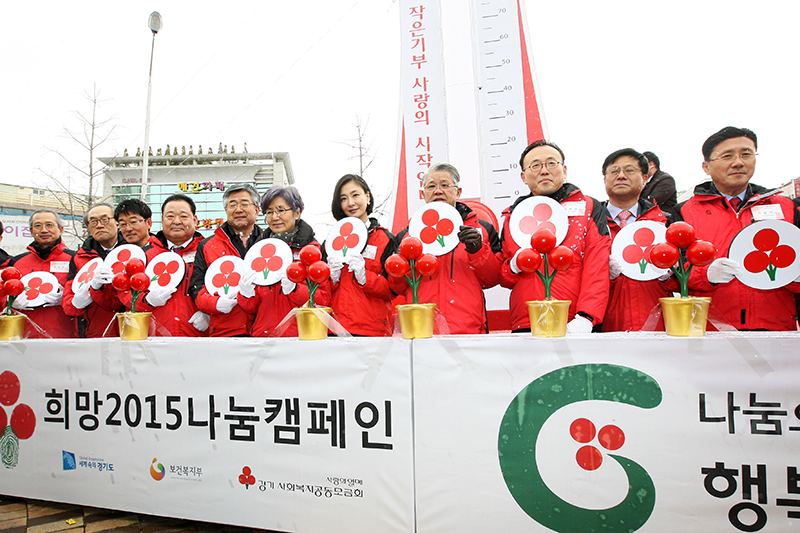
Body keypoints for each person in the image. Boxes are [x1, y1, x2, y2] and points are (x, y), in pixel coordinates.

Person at [672, 126, 800, 330]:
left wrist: (795, 275)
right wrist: (706, 275)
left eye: (746, 154)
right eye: (727, 156)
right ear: (706, 167)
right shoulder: (685, 213)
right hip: (711, 329)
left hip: (776, 328)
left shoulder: (787, 207)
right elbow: (674, 272)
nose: (738, 162)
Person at [499, 140, 611, 333]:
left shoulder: (589, 207)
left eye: (551, 163)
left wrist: (586, 317)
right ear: (524, 176)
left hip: (575, 322)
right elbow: (504, 278)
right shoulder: (513, 216)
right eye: (535, 165)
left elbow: (598, 265)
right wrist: (513, 266)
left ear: (564, 170)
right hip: (527, 321)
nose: (544, 171)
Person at [391, 163, 501, 334]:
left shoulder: (481, 229)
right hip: (423, 330)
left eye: (444, 185)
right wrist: (400, 265)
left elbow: (493, 279)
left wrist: (478, 250)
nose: (438, 191)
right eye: (431, 186)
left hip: (468, 329)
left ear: (458, 192)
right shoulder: (407, 236)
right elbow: (396, 288)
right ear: (423, 194)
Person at [237, 185, 330, 337]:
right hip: (264, 336)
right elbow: (252, 308)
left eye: (281, 210)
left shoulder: (312, 250)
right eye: (269, 212)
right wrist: (246, 294)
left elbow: (323, 299)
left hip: (299, 337)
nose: (275, 217)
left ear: (297, 212)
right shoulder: (257, 251)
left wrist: (295, 290)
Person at [118, 194, 209, 336]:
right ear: (161, 221)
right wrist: (146, 300)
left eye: (183, 216)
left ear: (195, 220)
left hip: (198, 337)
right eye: (170, 216)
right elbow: (126, 294)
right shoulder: (144, 255)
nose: (176, 221)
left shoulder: (207, 252)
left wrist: (209, 312)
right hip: (155, 338)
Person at [601, 148, 671, 331]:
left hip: (658, 325)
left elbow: (689, 277)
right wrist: (603, 275)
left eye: (630, 170)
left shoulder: (666, 223)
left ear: (645, 178)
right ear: (604, 179)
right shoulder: (592, 222)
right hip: (605, 326)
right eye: (614, 171)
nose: (621, 176)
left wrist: (671, 277)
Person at [189, 184, 265, 336]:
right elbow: (196, 288)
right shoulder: (207, 246)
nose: (238, 210)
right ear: (226, 211)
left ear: (257, 210)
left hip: (263, 330)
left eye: (244, 204)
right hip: (225, 331)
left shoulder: (269, 244)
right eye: (232, 205)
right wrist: (215, 304)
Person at [325, 174, 395, 336]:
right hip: (335, 329)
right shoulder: (329, 242)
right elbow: (319, 292)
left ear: (367, 196)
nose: (350, 203)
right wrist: (331, 279)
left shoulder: (385, 239)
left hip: (371, 330)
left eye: (355, 195)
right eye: (343, 199)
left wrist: (366, 278)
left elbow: (393, 289)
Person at [4, 209, 77, 338]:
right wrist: (10, 303)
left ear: (60, 229)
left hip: (64, 337)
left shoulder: (75, 260)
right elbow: (2, 295)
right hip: (24, 337)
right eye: (38, 226)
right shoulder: (16, 262)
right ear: (31, 231)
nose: (43, 230)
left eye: (49, 225)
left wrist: (67, 299)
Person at [62, 203, 125, 337]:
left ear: (118, 223)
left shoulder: (134, 251)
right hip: (96, 332)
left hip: (134, 330)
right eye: (93, 222)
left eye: (105, 219)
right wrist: (79, 300)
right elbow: (69, 305)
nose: (99, 225)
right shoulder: (80, 258)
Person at [86, 199, 155, 315]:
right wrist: (97, 287)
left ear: (148, 223)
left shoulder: (164, 252)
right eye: (122, 224)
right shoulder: (119, 257)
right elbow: (114, 304)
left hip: (164, 326)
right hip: (132, 325)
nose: (128, 228)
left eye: (133, 222)